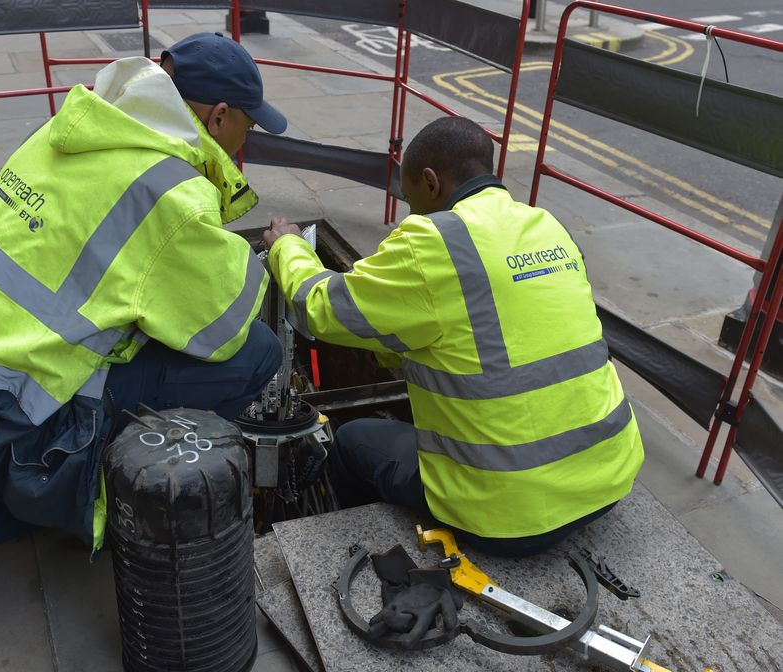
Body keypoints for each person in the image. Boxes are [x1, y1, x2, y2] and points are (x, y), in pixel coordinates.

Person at [0, 33, 287, 620]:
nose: (247, 140)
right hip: (6, 414)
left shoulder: (75, 123)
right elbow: (225, 327)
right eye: (248, 125)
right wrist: (284, 255)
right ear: (219, 117)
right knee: (258, 354)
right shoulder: (172, 190)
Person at [262, 116, 644, 557]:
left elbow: (320, 308)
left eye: (410, 199)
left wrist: (287, 247)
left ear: (430, 181)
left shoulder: (435, 239)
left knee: (353, 440)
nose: (410, 213)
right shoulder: (546, 225)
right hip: (609, 477)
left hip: (508, 514)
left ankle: (360, 554)